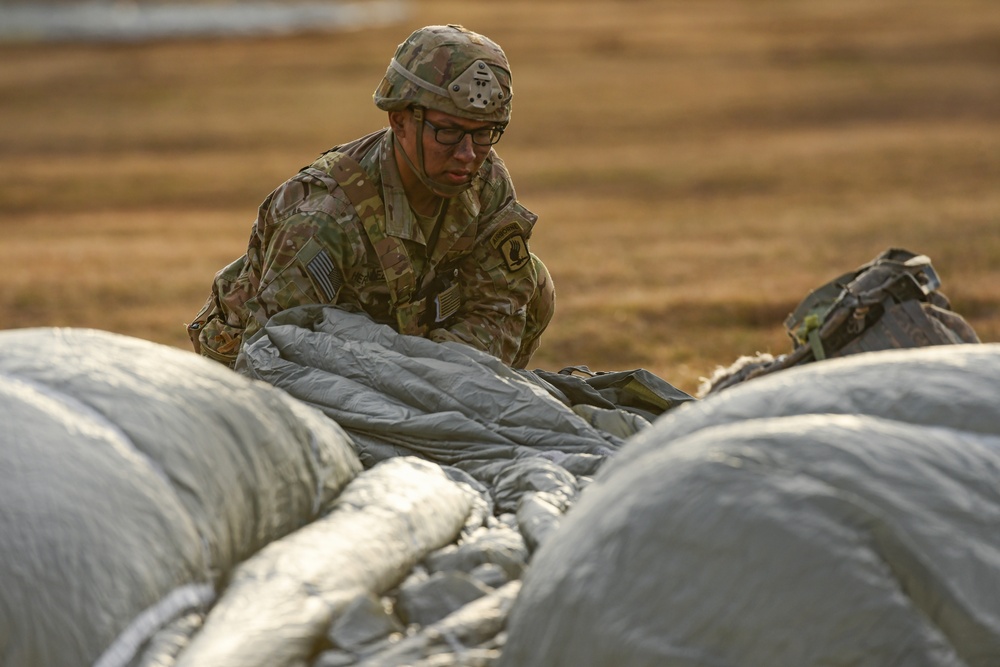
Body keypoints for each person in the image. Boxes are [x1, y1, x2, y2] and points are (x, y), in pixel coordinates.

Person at [187, 24, 554, 368]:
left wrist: (445, 385)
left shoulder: (485, 180)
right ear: (399, 120)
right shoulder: (323, 217)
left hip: (401, 347)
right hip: (297, 361)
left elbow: (498, 306)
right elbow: (271, 357)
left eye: (484, 134)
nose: (467, 154)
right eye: (447, 132)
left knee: (532, 282)